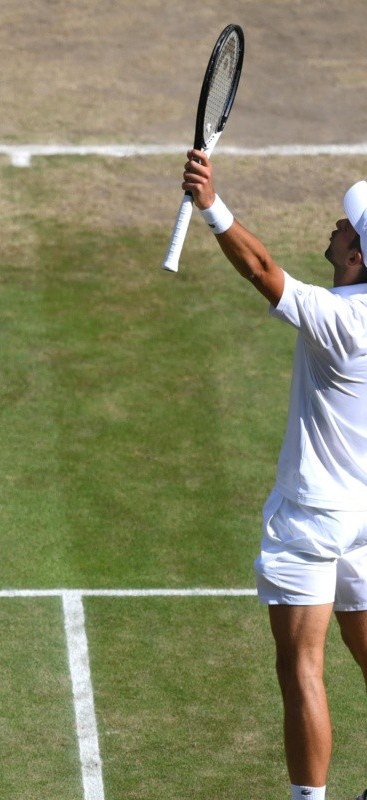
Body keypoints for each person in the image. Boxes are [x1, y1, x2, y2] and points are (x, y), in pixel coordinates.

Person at [181, 149, 367, 800]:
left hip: (313, 519)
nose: (336, 227)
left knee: (303, 669)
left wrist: (211, 206)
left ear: (356, 258)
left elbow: (261, 269)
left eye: (347, 228)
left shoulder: (342, 322)